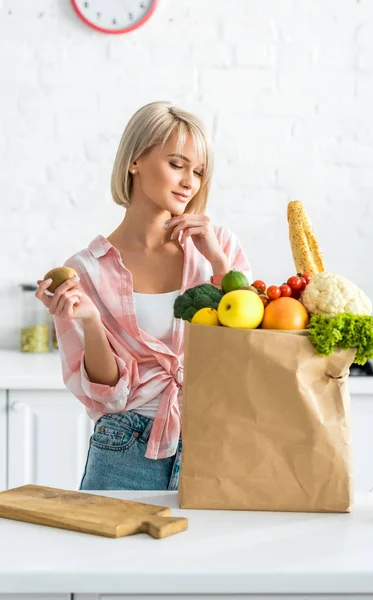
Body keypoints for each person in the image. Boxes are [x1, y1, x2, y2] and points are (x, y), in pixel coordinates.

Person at [35, 101, 252, 491]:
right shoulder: (85, 270)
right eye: (177, 164)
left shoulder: (219, 249)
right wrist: (90, 322)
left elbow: (246, 350)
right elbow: (109, 398)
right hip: (125, 448)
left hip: (215, 443)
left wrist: (218, 262)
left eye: (199, 171)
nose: (190, 182)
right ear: (135, 160)